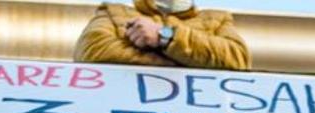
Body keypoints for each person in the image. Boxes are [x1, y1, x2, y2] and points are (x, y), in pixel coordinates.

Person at [74, 0, 251, 71]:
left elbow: (238, 60)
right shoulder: (113, 12)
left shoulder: (217, 18)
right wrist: (186, 63)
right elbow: (92, 52)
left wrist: (165, 37)